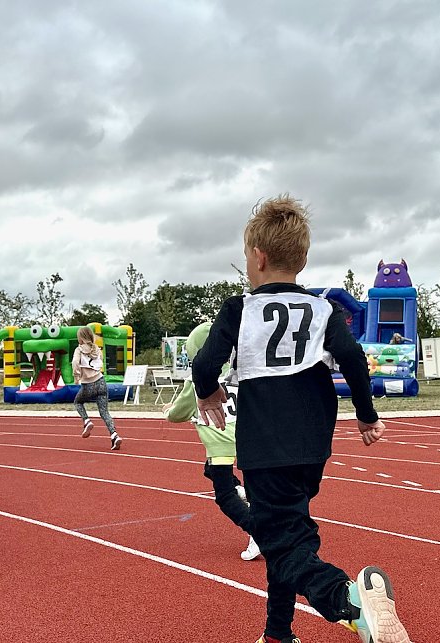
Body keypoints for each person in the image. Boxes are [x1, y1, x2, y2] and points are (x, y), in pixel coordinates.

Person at [192, 195, 410, 643]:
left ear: (257, 256)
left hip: (265, 441)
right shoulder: (325, 309)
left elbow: (204, 363)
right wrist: (367, 416)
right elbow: (351, 356)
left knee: (283, 541)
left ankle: (348, 601)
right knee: (285, 531)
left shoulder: (241, 309)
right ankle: (277, 633)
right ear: (303, 258)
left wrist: (208, 391)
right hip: (312, 443)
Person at [163, 322, 258, 561]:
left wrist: (167, 411)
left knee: (224, 495)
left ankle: (259, 532)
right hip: (249, 440)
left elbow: (179, 414)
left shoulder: (198, 379)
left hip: (220, 445)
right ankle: (242, 490)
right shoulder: (241, 373)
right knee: (212, 471)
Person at [72, 326, 122, 450]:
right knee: (104, 412)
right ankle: (114, 435)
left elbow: (75, 362)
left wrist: (76, 375)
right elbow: (100, 363)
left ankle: (86, 420)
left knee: (78, 402)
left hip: (88, 384)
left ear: (81, 338)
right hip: (101, 382)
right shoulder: (97, 349)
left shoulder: (79, 350)